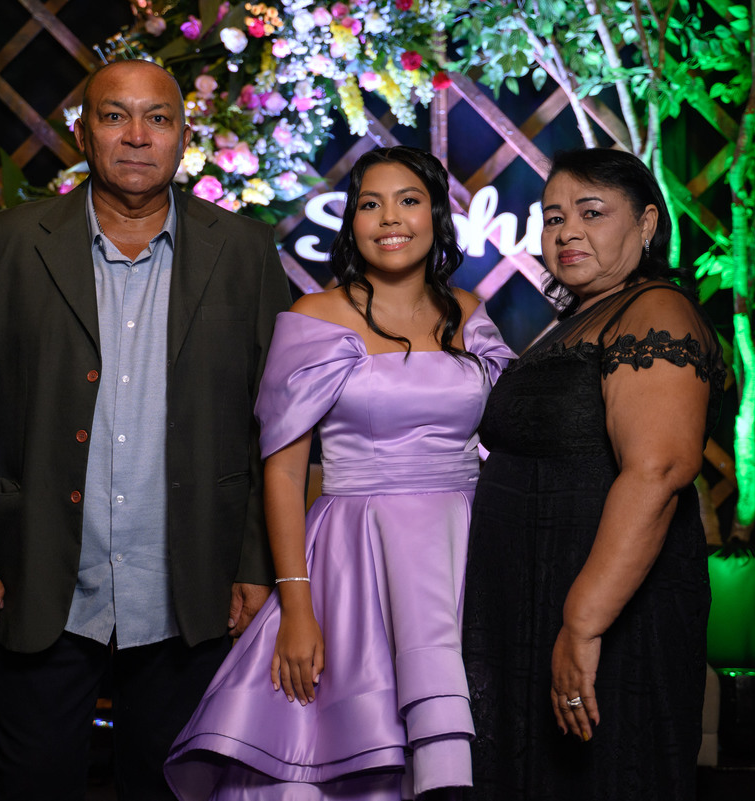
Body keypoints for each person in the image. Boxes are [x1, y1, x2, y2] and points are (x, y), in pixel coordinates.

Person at [0, 59, 290, 800]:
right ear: (83, 134)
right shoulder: (7, 244)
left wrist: (256, 562)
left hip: (194, 582)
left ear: (184, 137)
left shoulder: (244, 250)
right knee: (32, 784)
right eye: (116, 116)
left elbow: (275, 422)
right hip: (40, 574)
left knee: (173, 785)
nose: (137, 136)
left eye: (158, 118)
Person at [165, 146, 514, 800]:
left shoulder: (468, 312)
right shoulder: (314, 317)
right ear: (351, 222)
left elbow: (512, 434)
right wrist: (297, 607)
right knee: (356, 751)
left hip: (463, 554)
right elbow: (282, 473)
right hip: (355, 558)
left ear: (436, 216)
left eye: (409, 200)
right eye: (370, 203)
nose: (391, 218)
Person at [461, 147, 727, 799]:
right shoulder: (578, 320)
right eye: (553, 217)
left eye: (592, 212)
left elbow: (660, 469)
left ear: (646, 223)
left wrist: (583, 621)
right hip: (532, 598)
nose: (567, 231)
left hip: (607, 610)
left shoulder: (655, 311)